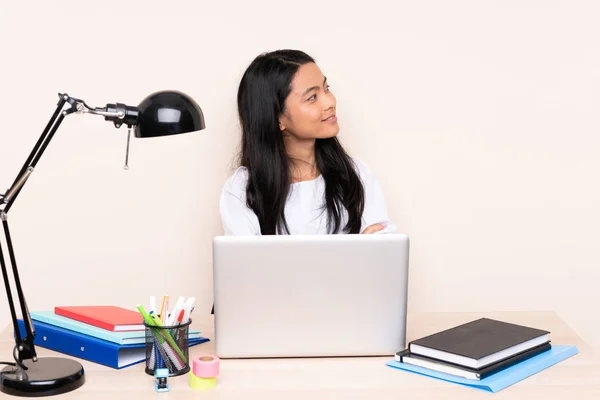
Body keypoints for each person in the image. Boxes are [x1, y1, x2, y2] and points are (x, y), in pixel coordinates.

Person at [219, 49, 395, 236]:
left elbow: (383, 244)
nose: (329, 102)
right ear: (277, 118)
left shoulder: (356, 174)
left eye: (327, 88)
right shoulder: (242, 189)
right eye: (312, 97)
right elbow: (246, 262)